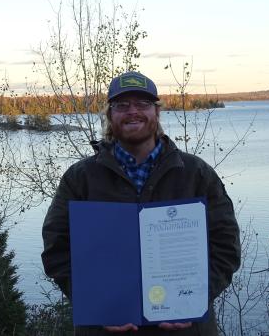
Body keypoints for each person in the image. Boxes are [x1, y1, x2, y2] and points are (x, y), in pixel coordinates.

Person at [41, 71, 241, 335]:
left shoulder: (196, 174)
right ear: (110, 116)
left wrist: (194, 300)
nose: (132, 111)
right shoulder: (80, 179)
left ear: (156, 113)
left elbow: (226, 246)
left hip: (185, 328)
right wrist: (95, 303)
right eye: (122, 105)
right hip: (105, 329)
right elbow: (57, 249)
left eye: (143, 104)